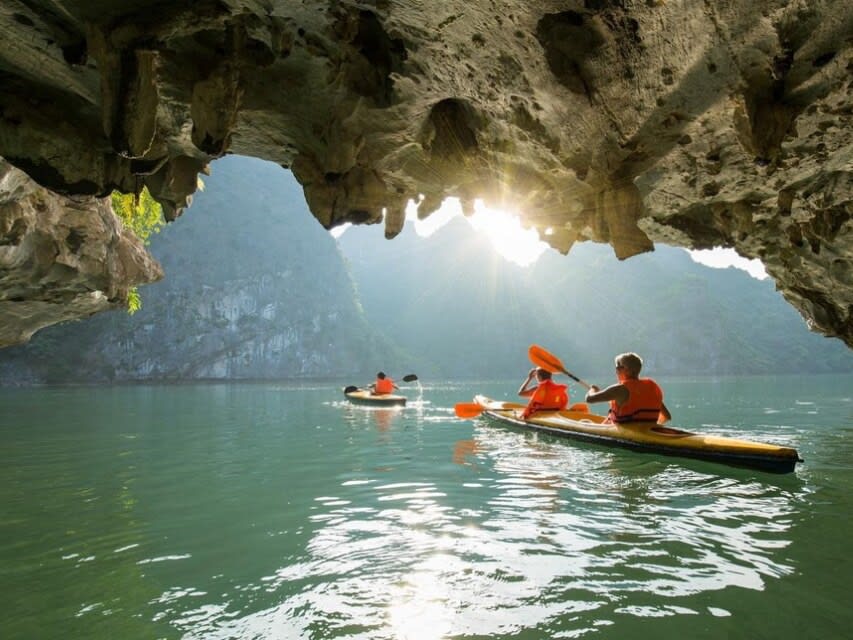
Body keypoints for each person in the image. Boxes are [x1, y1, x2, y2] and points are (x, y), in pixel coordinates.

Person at [584, 353, 671, 424]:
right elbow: (667, 417)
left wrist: (593, 390)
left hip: (626, 431)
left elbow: (589, 399)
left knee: (585, 421)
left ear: (627, 370)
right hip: (647, 431)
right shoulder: (652, 388)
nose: (616, 370)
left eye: (618, 367)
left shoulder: (620, 389)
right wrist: (650, 428)